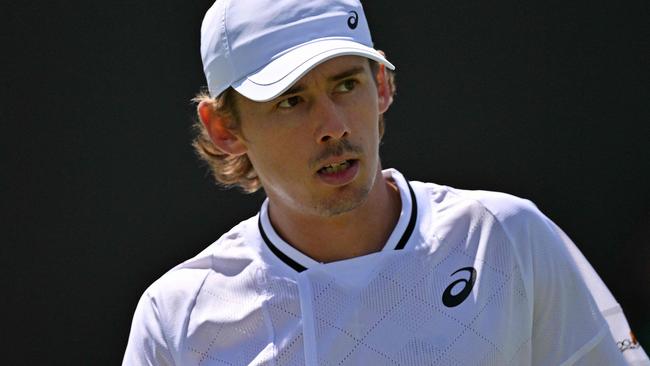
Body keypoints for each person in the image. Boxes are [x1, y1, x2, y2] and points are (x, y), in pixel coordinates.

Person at [122, 0, 649, 365]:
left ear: (381, 86)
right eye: (291, 100)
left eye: (346, 84)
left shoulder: (504, 237)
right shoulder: (176, 317)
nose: (334, 125)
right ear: (225, 127)